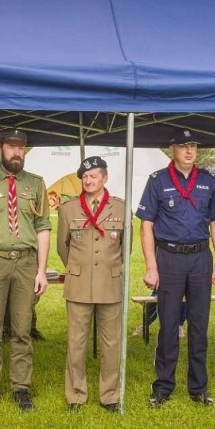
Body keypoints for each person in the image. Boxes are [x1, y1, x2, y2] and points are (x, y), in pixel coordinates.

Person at [136, 129, 215, 408]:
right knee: (169, 325)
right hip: (169, 259)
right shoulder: (157, 181)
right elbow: (146, 225)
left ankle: (199, 388)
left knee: (199, 326)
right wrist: (152, 266)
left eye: (193, 146)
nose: (190, 151)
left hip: (200, 258)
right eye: (184, 146)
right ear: (171, 148)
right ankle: (163, 387)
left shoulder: (208, 181)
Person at [0, 128, 51, 412]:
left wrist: (42, 270)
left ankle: (21, 388)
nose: (17, 152)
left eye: (21, 147)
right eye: (11, 146)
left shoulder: (36, 184)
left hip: (26, 263)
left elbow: (43, 229)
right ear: (0, 148)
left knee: (22, 329)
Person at [57, 156, 127, 412]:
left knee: (111, 343)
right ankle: (76, 395)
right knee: (76, 343)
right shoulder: (68, 209)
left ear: (105, 178)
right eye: (85, 177)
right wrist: (79, 268)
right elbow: (62, 247)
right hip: (78, 284)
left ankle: (109, 395)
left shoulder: (120, 208)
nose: (88, 180)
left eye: (94, 176)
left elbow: (124, 249)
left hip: (109, 284)